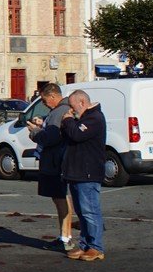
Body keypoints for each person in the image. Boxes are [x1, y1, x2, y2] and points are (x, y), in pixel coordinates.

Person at [59, 90, 107, 261]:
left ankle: (96, 247)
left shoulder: (95, 118)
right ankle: (85, 244)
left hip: (88, 173)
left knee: (90, 211)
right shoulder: (82, 119)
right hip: (76, 172)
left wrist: (68, 120)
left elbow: (77, 134)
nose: (71, 111)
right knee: (81, 212)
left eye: (72, 107)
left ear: (82, 102)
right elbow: (69, 136)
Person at [28, 83, 74, 251]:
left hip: (56, 161)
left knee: (60, 198)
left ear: (54, 96)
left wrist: (35, 132)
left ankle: (66, 238)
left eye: (45, 100)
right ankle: (65, 236)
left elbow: (51, 138)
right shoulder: (63, 110)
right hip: (60, 159)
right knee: (61, 198)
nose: (44, 104)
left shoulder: (58, 112)